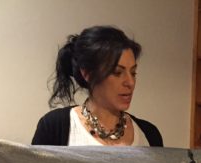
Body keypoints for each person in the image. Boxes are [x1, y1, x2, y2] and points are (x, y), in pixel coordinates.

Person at [32, 25, 163, 147]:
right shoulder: (55, 127)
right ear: (87, 73)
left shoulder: (149, 134)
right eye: (117, 72)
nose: (130, 82)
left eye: (133, 73)